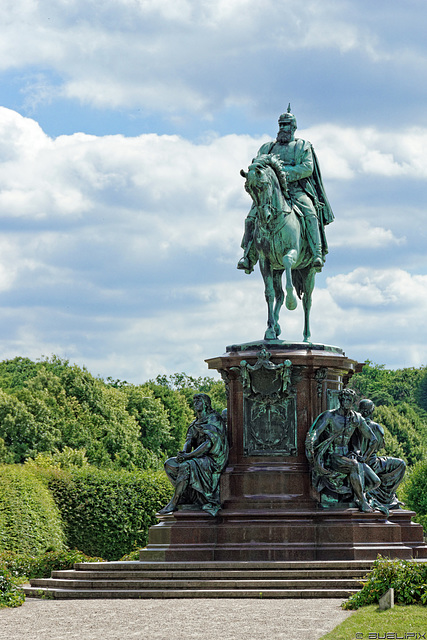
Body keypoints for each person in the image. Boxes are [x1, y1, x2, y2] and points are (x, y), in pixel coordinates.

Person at [238, 105, 334, 274]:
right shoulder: (267, 147)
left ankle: (316, 253)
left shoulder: (302, 145)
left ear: (293, 127)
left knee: (310, 213)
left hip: (297, 190)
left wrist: (283, 174)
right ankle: (248, 255)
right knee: (251, 218)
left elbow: (307, 168)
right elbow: (258, 165)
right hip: (272, 192)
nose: (282, 128)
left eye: (286, 125)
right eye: (281, 124)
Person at [305, 389, 380, 512]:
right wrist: (311, 441)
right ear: (339, 400)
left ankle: (353, 494)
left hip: (348, 456)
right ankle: (362, 502)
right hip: (332, 455)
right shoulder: (330, 416)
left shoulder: (357, 418)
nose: (345, 402)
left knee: (375, 482)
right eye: (343, 399)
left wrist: (364, 457)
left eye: (349, 400)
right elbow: (316, 432)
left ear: (353, 402)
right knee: (354, 465)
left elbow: (373, 440)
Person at [158, 393, 229, 517]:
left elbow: (208, 444)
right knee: (169, 464)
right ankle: (187, 496)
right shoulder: (194, 423)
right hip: (197, 457)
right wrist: (183, 453)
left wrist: (189, 456)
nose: (195, 404)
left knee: (187, 466)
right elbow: (188, 441)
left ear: (206, 403)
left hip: (213, 459)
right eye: (194, 401)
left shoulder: (214, 419)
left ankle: (174, 502)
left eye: (198, 401)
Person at [354, 399, 406, 515]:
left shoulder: (354, 426)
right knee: (401, 464)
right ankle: (386, 496)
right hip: (372, 463)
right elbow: (380, 446)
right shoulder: (375, 427)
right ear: (371, 411)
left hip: (357, 461)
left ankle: (380, 494)